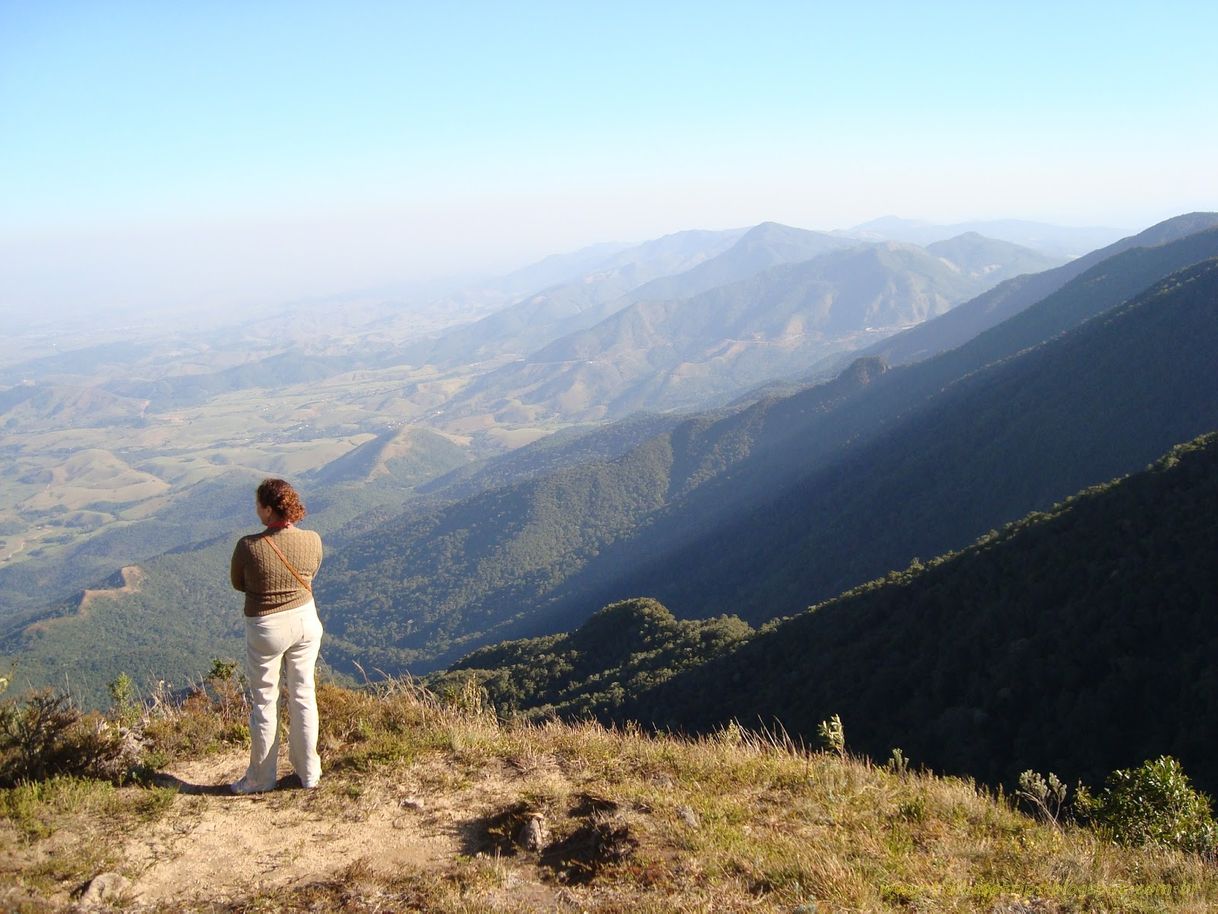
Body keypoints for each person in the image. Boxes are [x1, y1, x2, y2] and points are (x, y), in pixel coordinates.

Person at [228, 478, 324, 793]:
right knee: (303, 695)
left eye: (258, 505)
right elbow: (310, 573)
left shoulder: (248, 546)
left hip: (266, 626)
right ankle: (309, 773)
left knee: (266, 701)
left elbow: (239, 583)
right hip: (306, 620)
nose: (256, 509)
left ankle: (261, 778)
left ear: (268, 509)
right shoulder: (312, 540)